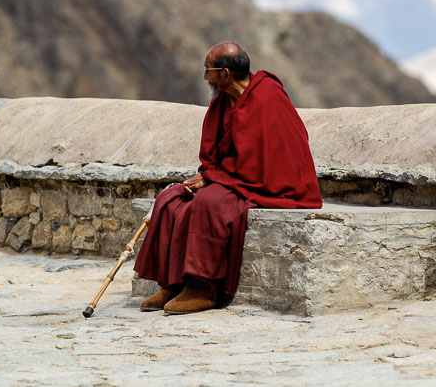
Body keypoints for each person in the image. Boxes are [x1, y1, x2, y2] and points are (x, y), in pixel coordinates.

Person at [133, 41, 322, 315]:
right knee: (172, 197)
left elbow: (264, 159)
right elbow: (216, 149)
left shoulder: (268, 97)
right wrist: (206, 173)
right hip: (233, 175)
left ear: (225, 73)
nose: (205, 77)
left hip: (271, 182)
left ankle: (204, 288)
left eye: (208, 71)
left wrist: (211, 178)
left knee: (210, 202)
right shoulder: (224, 100)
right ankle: (173, 283)